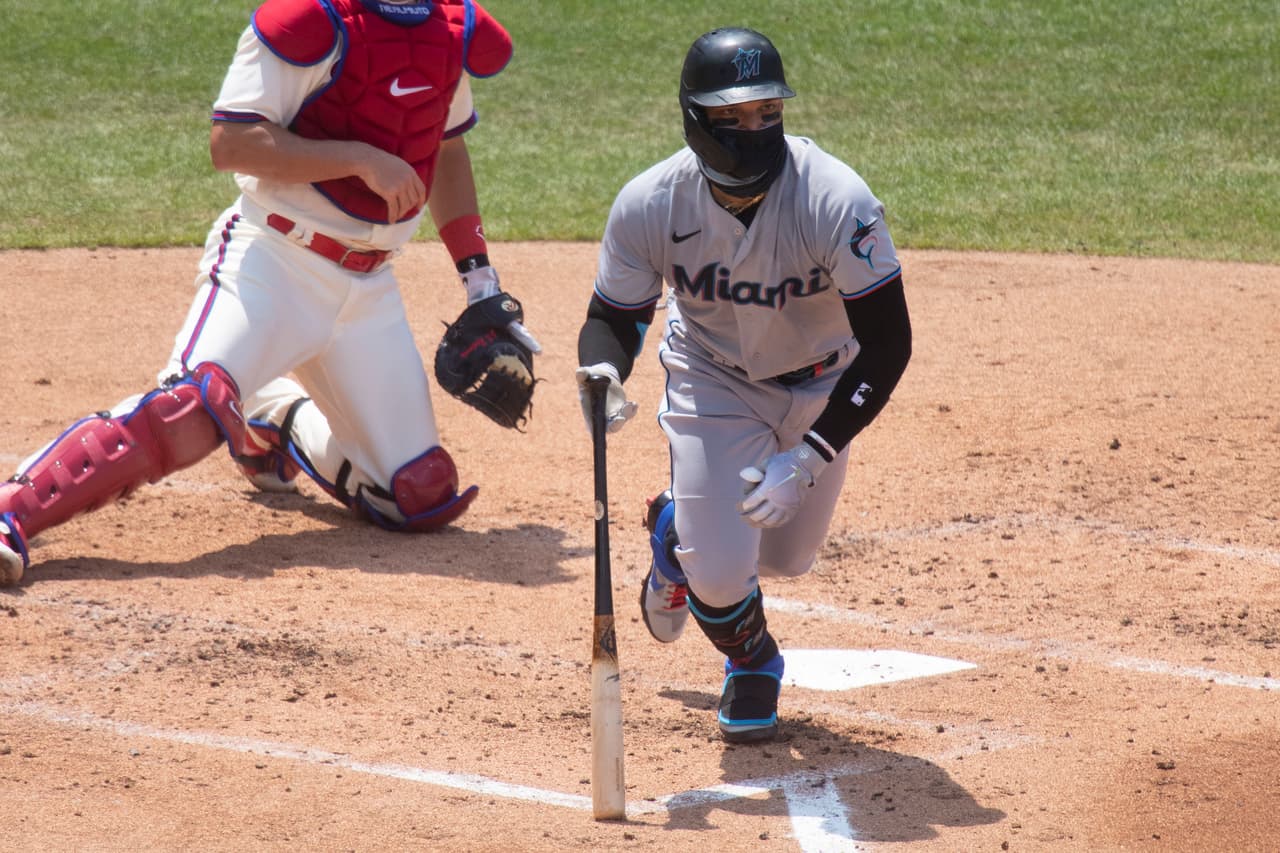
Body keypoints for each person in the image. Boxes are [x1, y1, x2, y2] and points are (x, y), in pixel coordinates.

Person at [0, 0, 539, 587]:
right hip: (274, 263)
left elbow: (449, 150)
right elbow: (232, 143)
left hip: (370, 291)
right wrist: (358, 161)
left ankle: (273, 416)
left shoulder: (449, 31)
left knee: (418, 493)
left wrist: (479, 278)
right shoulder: (312, 20)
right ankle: (13, 512)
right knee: (188, 411)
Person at [575, 27, 912, 743]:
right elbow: (614, 316)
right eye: (733, 116)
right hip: (714, 381)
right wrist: (603, 368)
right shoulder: (651, 204)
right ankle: (751, 659)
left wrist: (811, 453)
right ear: (696, 118)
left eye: (766, 112)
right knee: (723, 575)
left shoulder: (836, 200)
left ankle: (674, 532)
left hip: (824, 383)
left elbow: (889, 343)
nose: (754, 129)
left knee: (786, 555)